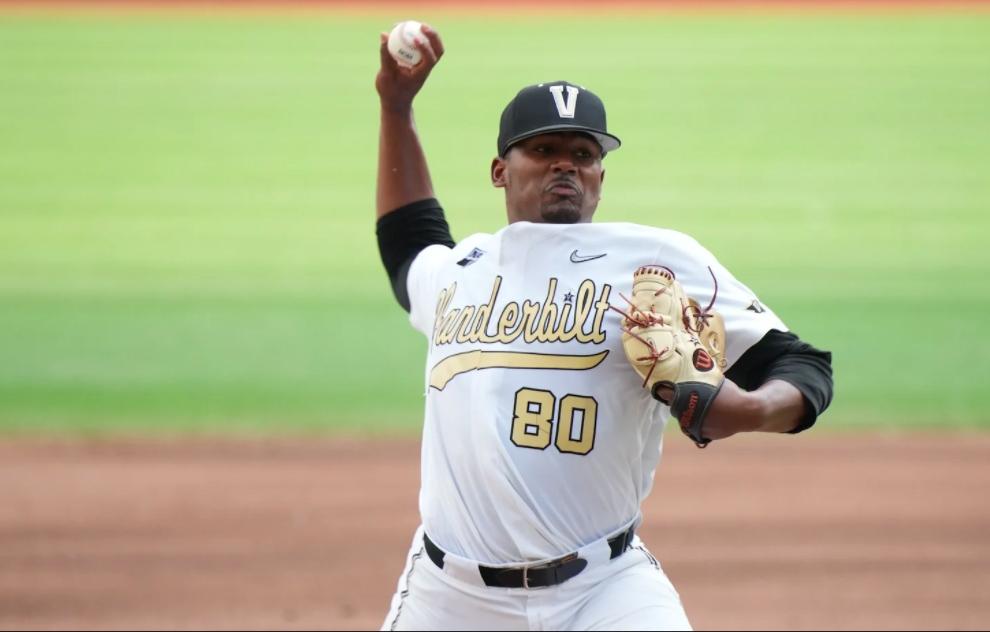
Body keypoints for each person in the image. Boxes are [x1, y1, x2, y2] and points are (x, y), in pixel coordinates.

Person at [374, 24, 833, 631]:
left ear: (600, 176)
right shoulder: (462, 270)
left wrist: (747, 410)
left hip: (605, 592)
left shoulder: (655, 262)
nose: (566, 164)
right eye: (543, 150)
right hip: (448, 599)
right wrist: (396, 108)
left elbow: (803, 367)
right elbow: (408, 243)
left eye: (584, 154)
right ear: (499, 170)